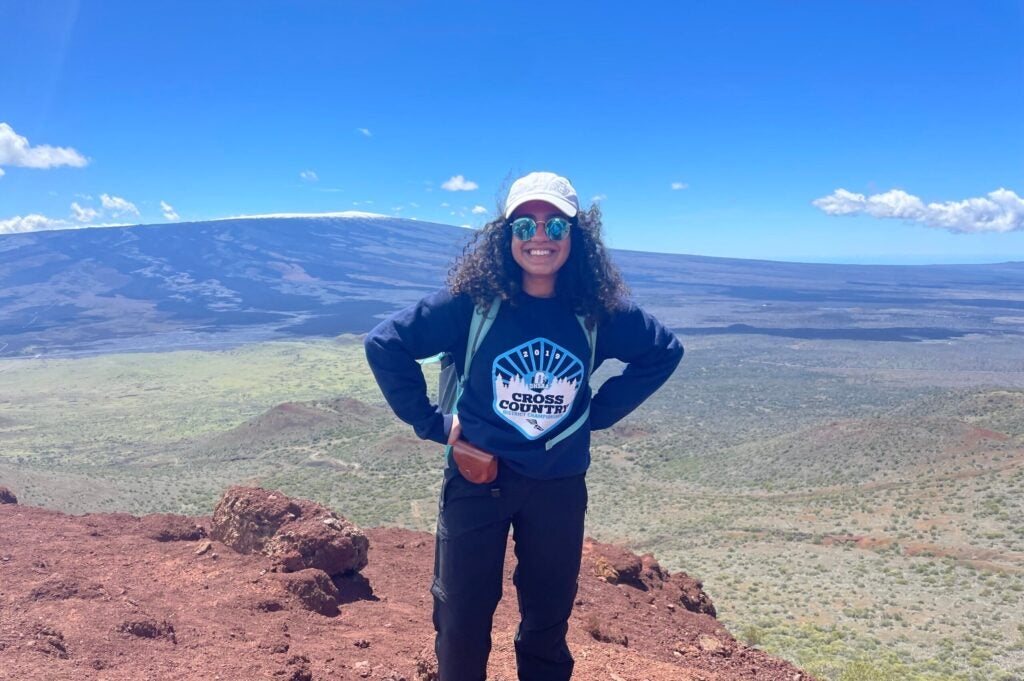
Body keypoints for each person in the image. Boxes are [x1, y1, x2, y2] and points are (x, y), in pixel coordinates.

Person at [364, 171, 682, 680]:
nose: (540, 236)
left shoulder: (595, 309)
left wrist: (596, 414)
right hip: (478, 479)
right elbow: (386, 342)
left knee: (547, 622)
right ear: (505, 235)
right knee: (462, 618)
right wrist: (431, 423)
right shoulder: (474, 303)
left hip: (557, 485)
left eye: (556, 226)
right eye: (525, 225)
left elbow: (663, 351)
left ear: (576, 238)